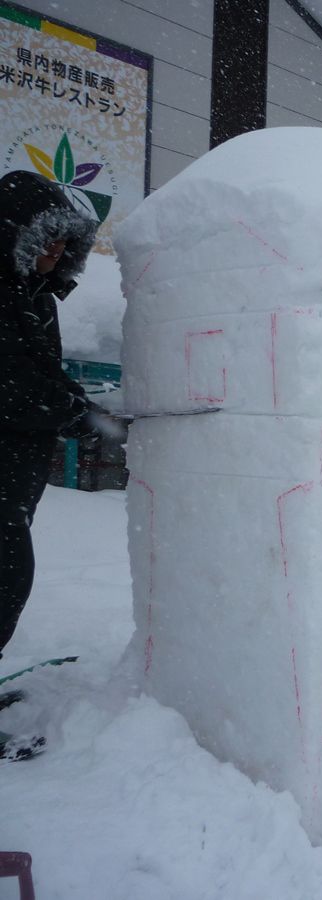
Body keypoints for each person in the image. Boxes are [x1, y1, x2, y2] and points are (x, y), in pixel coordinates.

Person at [0, 171, 101, 663]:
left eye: (64, 243)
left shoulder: (36, 292)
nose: (57, 253)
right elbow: (9, 384)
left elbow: (40, 370)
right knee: (7, 579)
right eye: (48, 241)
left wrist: (74, 403)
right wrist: (67, 411)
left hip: (16, 471)